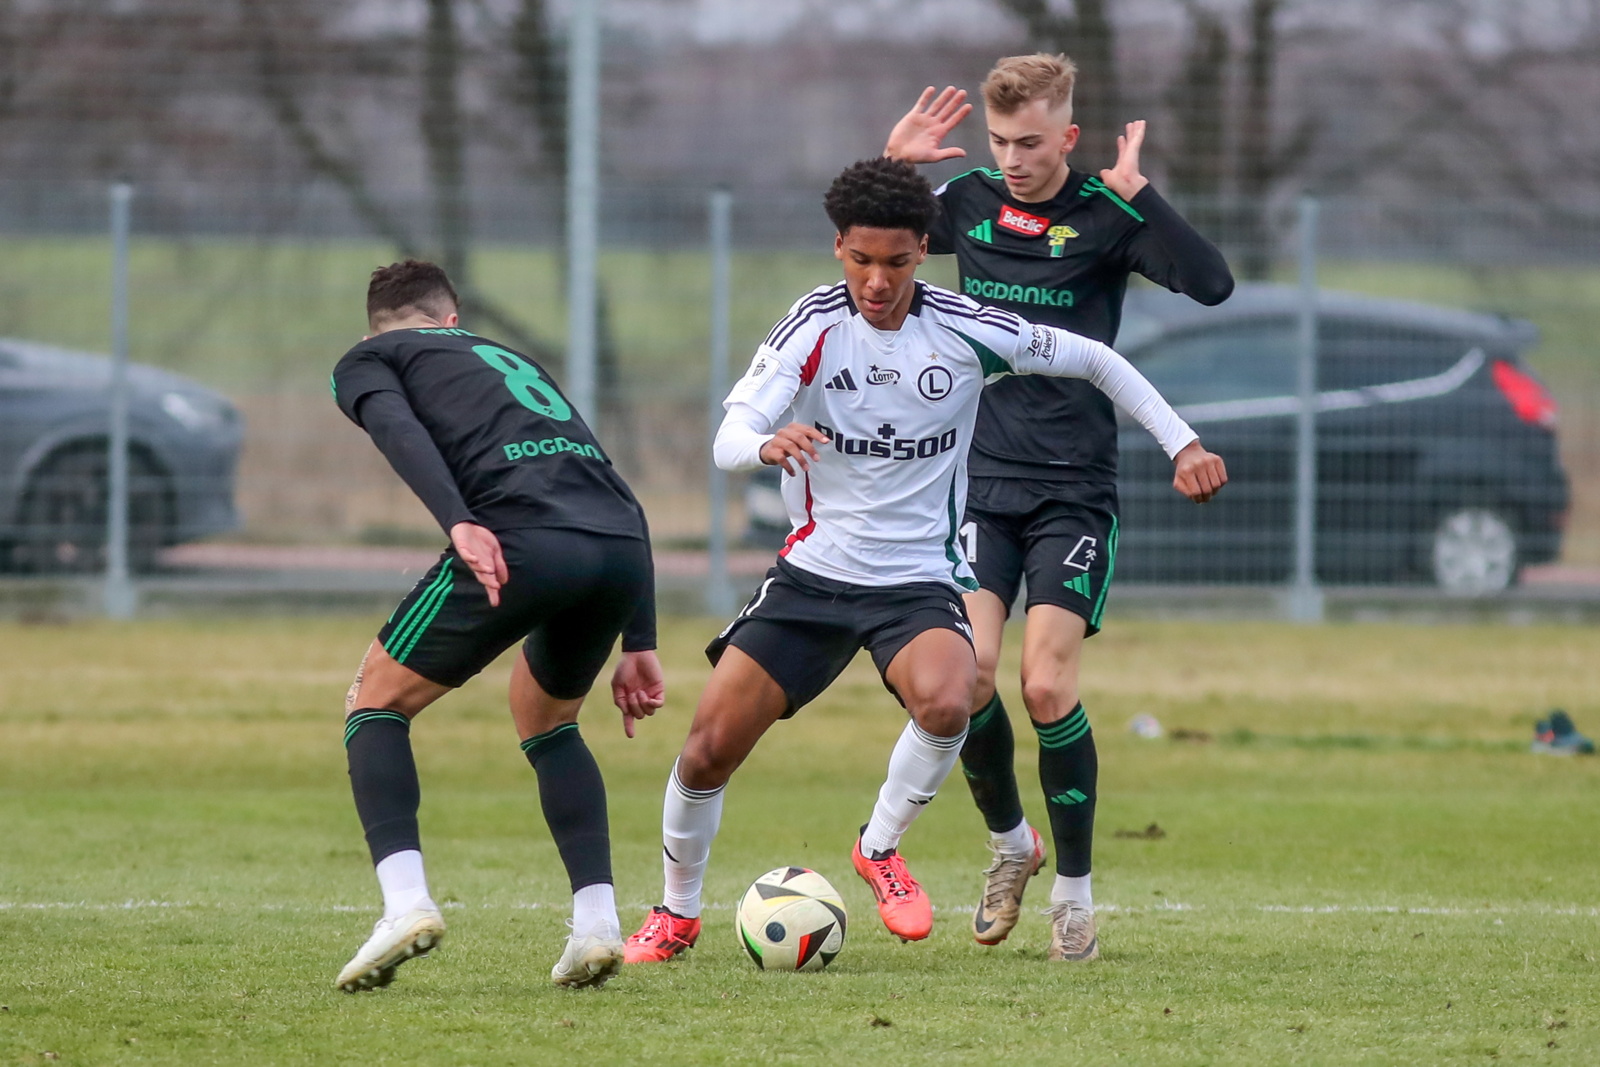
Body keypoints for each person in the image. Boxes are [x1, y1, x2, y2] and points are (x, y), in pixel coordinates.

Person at [622, 157, 1225, 964]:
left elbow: (1096, 360)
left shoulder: (966, 326)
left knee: (952, 697)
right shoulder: (813, 327)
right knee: (706, 750)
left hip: (916, 580)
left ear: (923, 250)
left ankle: (878, 848)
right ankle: (677, 912)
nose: (878, 279)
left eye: (898, 261)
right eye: (861, 259)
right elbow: (730, 434)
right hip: (811, 576)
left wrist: (1180, 439)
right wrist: (766, 444)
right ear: (839, 247)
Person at [882, 53, 1235, 959]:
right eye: (1000, 141)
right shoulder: (963, 201)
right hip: (976, 482)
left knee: (1044, 685)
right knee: (962, 682)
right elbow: (871, 250)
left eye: (1030, 142)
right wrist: (896, 165)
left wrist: (1140, 194)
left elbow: (1211, 283)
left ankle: (1074, 891)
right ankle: (1012, 846)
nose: (1012, 158)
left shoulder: (1105, 216)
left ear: (1067, 137)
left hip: (1076, 489)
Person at [328, 260, 665, 992]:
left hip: (520, 540)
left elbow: (394, 427)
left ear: (375, 329)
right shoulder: (510, 359)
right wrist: (640, 640)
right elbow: (619, 491)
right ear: (453, 321)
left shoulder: (370, 357)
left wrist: (459, 520)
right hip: (614, 548)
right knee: (545, 718)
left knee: (374, 702)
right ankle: (597, 924)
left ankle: (405, 905)